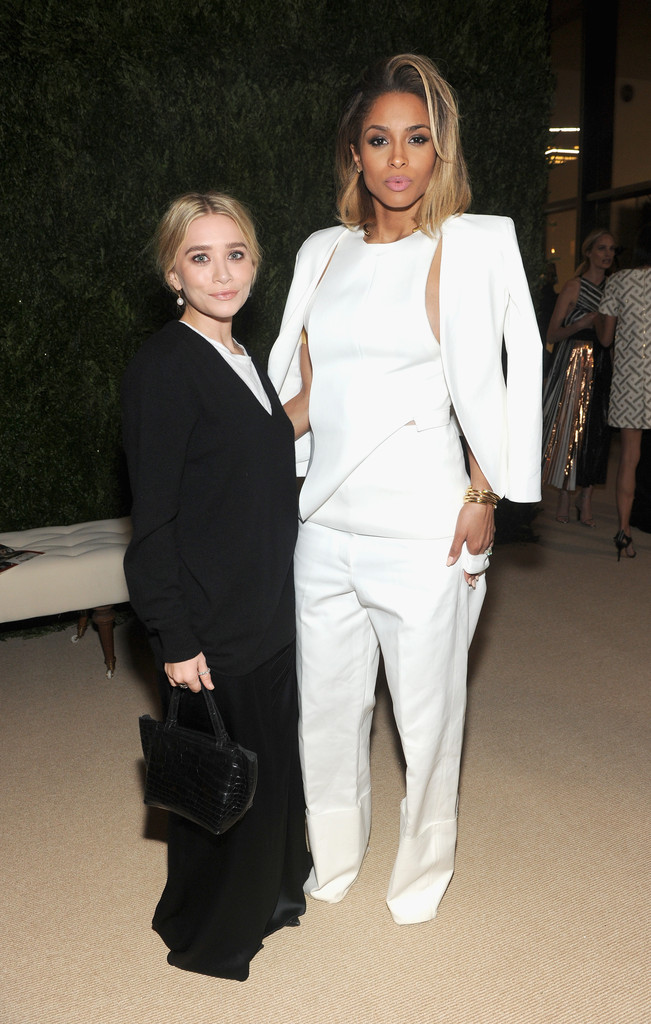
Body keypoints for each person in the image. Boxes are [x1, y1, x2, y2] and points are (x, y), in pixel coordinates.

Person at [268, 54, 542, 926]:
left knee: (426, 723)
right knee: (325, 710)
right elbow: (304, 394)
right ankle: (335, 856)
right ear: (354, 151)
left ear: (439, 151)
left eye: (416, 139)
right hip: (324, 527)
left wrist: (485, 492)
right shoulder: (323, 253)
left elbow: (510, 373)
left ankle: (421, 874)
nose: (397, 158)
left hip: (425, 528)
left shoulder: (469, 247)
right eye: (379, 138)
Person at [121, 192, 311, 980]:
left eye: (235, 253)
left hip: (265, 604)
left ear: (255, 263)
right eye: (200, 257)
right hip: (213, 617)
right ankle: (209, 933)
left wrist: (340, 383)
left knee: (266, 769)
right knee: (221, 783)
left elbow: (267, 436)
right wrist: (175, 638)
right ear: (173, 272)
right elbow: (152, 522)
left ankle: (268, 896)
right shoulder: (164, 368)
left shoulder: (241, 358)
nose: (221, 271)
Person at [541, 229, 616, 525]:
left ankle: (585, 497)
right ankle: (564, 494)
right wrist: (581, 324)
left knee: (597, 431)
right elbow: (551, 333)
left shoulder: (614, 288)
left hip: (602, 364)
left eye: (611, 249)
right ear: (588, 252)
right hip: (572, 362)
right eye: (601, 248)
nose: (607, 254)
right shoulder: (574, 287)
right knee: (568, 429)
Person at [597, 223, 651, 559]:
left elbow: (605, 339)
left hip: (631, 382)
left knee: (628, 459)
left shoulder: (619, 281)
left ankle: (624, 532)